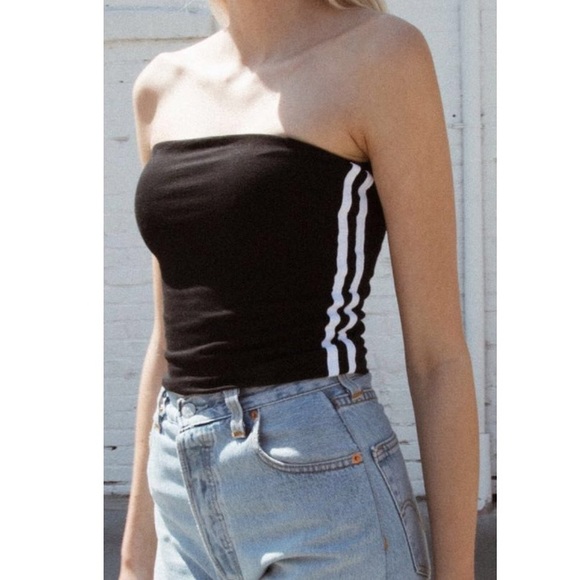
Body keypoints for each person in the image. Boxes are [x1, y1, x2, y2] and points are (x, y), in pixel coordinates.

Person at [119, 0, 479, 578]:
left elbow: (437, 357)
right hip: (179, 499)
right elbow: (168, 339)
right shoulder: (160, 86)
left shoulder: (383, 55)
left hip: (324, 497)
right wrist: (135, 557)